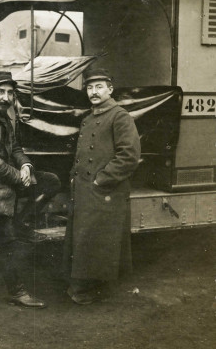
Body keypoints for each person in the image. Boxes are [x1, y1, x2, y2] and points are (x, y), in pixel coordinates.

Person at [0, 71, 61, 308]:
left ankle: (22, 222)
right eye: (0, 92)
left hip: (7, 179)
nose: (6, 97)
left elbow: (14, 146)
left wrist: (25, 165)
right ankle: (17, 292)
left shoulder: (4, 114)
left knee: (51, 181)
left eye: (9, 92)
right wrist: (19, 178)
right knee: (5, 239)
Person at [63, 68, 141, 305]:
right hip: (85, 189)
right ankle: (85, 286)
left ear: (110, 89)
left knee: (97, 239)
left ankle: (88, 288)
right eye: (89, 87)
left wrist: (101, 179)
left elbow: (129, 156)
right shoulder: (88, 118)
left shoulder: (120, 117)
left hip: (105, 189)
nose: (94, 92)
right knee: (85, 238)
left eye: (99, 87)